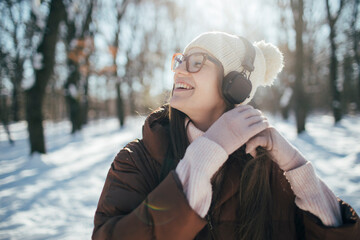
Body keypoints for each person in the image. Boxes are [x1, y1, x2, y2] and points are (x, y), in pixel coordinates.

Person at [92, 32, 360, 239]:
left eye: (197, 61)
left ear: (236, 86)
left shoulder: (269, 166)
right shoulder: (137, 159)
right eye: (180, 60)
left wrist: (296, 167)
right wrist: (204, 156)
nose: (179, 70)